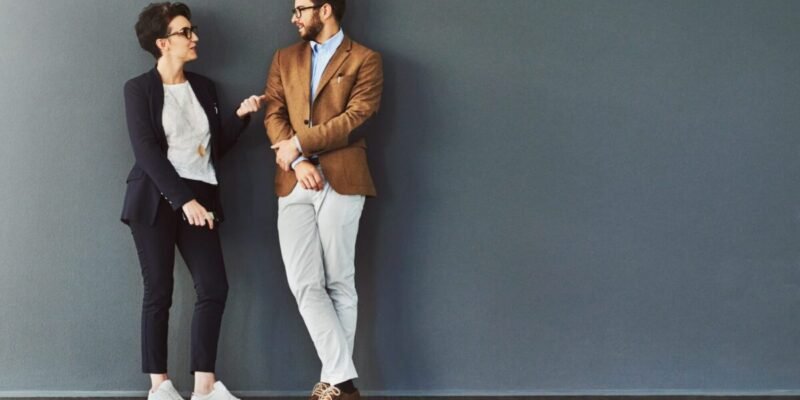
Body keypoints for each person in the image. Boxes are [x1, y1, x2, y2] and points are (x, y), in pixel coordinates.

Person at [121, 3, 263, 400]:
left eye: (192, 29)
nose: (194, 37)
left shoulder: (204, 87)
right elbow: (146, 152)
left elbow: (211, 149)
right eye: (186, 32)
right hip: (155, 198)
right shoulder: (138, 89)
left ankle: (205, 387)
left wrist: (240, 117)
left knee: (214, 286)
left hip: (200, 196)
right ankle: (160, 387)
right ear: (163, 43)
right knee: (159, 291)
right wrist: (183, 200)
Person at [263, 1, 383, 399]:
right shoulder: (284, 57)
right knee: (303, 282)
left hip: (343, 177)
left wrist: (299, 143)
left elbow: (356, 117)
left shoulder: (365, 59)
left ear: (325, 9)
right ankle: (342, 383)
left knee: (339, 281)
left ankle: (332, 386)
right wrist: (297, 160)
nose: (294, 17)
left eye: (300, 8)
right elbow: (273, 114)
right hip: (293, 179)